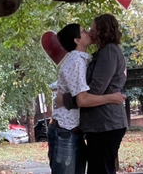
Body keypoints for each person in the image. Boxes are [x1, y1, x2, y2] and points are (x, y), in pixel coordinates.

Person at [48, 23, 125, 174]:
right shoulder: (76, 61)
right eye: (84, 31)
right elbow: (82, 100)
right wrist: (112, 98)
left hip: (73, 130)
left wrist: (64, 99)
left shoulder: (83, 60)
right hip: (65, 130)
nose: (89, 32)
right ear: (77, 40)